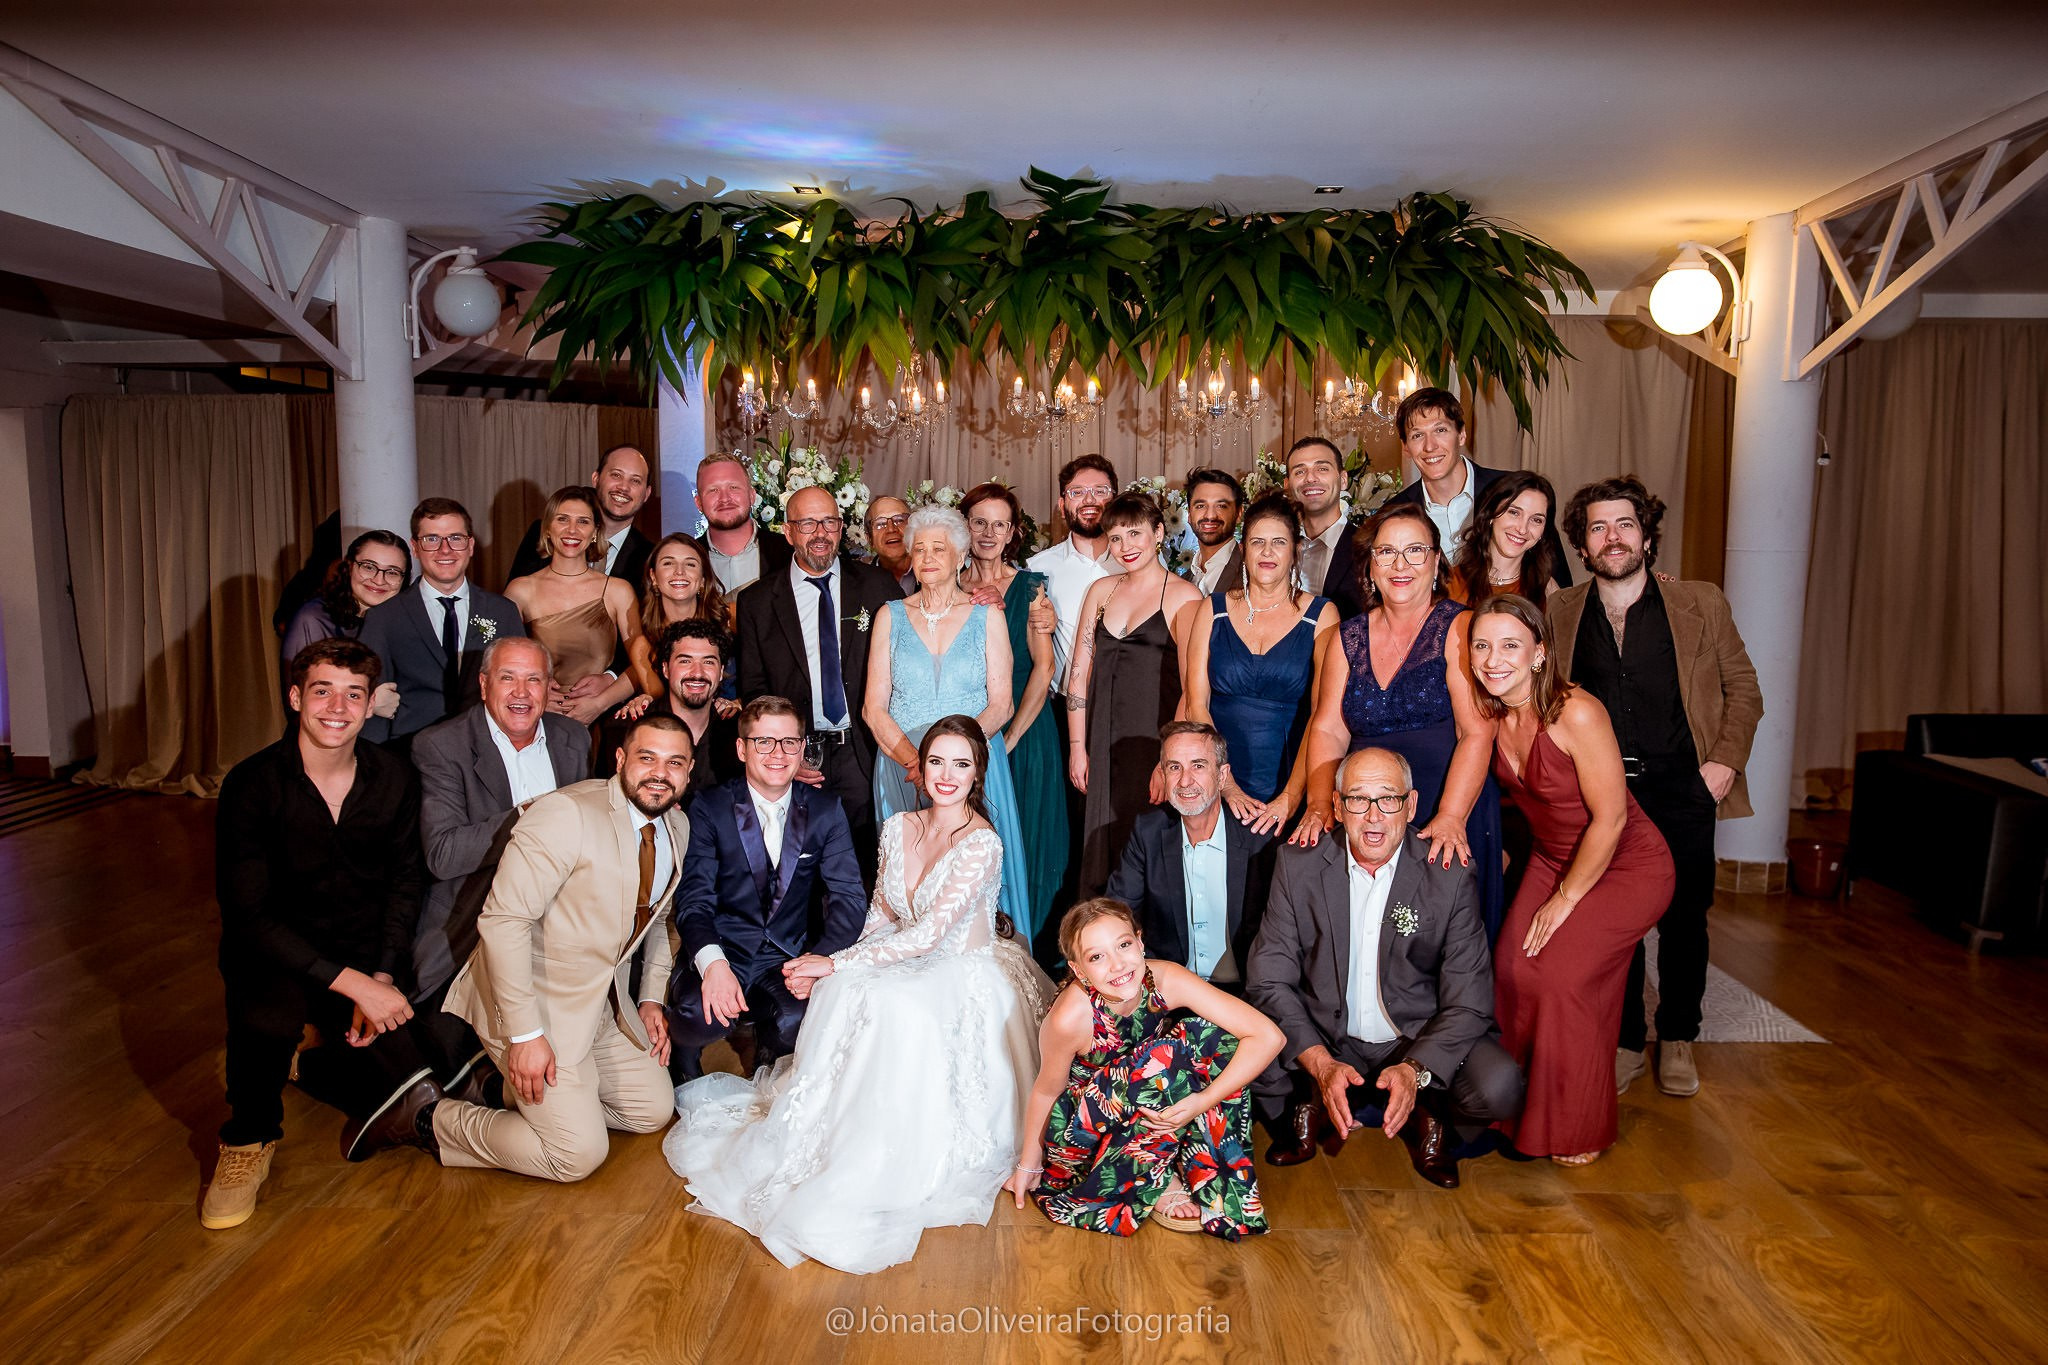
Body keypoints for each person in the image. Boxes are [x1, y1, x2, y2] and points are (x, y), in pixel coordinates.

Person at [666, 718, 1055, 1274]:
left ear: (978, 774)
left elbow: (929, 936)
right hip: (901, 949)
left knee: (891, 1005)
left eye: (962, 764)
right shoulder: (898, 826)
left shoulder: (983, 844)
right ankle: (828, 1135)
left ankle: (884, 1150)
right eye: (937, 762)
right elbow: (882, 913)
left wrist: (835, 959)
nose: (947, 776)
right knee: (846, 988)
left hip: (960, 968)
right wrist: (839, 964)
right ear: (919, 770)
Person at [355, 716, 696, 1181]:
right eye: (647, 758)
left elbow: (659, 921)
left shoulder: (676, 824)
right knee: (576, 1155)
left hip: (597, 1004)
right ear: (620, 760)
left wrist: (651, 997)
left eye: (674, 762)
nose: (660, 773)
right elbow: (502, 922)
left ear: (689, 770)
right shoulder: (566, 813)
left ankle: (515, 1095)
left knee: (652, 1111)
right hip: (534, 1005)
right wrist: (524, 1037)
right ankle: (427, 1118)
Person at [203, 639, 436, 1228]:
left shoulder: (394, 778)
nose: (338, 706)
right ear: (295, 697)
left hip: (364, 951)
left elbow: (407, 883)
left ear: (368, 704)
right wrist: (356, 986)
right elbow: (249, 918)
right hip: (276, 953)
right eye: (323, 691)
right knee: (265, 1022)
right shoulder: (251, 784)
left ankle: (307, 1061)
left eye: (353, 694)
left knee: (409, 1087)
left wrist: (380, 975)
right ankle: (246, 1140)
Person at [1549, 476, 1762, 1100]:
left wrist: (1722, 764)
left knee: (1684, 919)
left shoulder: (1701, 603)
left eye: (1624, 525)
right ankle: (1621, 1042)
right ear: (1582, 546)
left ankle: (1678, 1036)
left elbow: (1743, 690)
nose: (1612, 538)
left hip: (1683, 787)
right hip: (1600, 794)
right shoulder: (1562, 611)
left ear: (1646, 535)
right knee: (1610, 922)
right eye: (1597, 528)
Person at [1245, 747, 1525, 1188]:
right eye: (1357, 799)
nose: (1373, 816)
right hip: (1326, 1035)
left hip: (1411, 1037)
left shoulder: (1448, 874)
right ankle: (1310, 1101)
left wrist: (1416, 1068)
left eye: (1387, 799)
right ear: (1337, 807)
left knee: (1500, 1086)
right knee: (1243, 1057)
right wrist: (1317, 1061)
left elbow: (1470, 1002)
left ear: (1411, 805)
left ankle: (1432, 1118)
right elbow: (1268, 978)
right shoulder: (1297, 864)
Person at [1468, 595, 1675, 1165]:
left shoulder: (1575, 711)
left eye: (1510, 645)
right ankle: (1512, 1108)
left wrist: (1565, 899)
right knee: (1511, 967)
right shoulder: (1492, 714)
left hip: (1627, 863)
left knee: (1562, 978)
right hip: (1553, 856)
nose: (1493, 659)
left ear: (1538, 653)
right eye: (1482, 645)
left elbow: (1610, 819)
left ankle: (1577, 1126)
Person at [1007, 898, 1281, 1239]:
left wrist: (1203, 1100)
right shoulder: (1069, 1018)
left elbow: (1268, 1036)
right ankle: (1160, 1179)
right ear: (1078, 970)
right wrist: (1030, 1166)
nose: (1118, 965)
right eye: (1096, 956)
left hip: (1147, 1101)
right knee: (1166, 1057)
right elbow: (1047, 1091)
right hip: (1083, 1131)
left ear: (1140, 942)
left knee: (1213, 1036)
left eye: (1123, 945)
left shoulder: (1165, 978)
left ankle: (1214, 1186)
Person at [1298, 504, 1506, 941]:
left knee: (1445, 941)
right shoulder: (1346, 638)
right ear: (1370, 567)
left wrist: (1451, 816)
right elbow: (1328, 730)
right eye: (1386, 552)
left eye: (1415, 551)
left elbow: (1478, 731)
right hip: (1369, 809)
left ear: (1435, 563)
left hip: (1448, 800)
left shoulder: (1459, 627)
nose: (1400, 564)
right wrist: (1320, 803)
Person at [408, 636, 593, 1087]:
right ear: (484, 683)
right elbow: (445, 853)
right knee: (449, 1061)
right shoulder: (442, 745)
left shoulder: (573, 737)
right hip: (472, 924)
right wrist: (533, 817)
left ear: (550, 687)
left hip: (558, 928)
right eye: (507, 678)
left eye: (534, 680)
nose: (521, 692)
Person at [666, 696, 867, 1079]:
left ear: (802, 748)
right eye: (764, 741)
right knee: (698, 1016)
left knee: (801, 1020)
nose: (778, 753)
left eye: (789, 742)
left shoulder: (826, 809)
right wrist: (713, 965)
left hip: (787, 956)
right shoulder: (708, 807)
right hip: (724, 947)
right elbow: (694, 901)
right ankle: (682, 1054)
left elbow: (849, 900)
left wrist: (817, 961)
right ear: (742, 748)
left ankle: (769, 1050)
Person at [864, 504, 1035, 933]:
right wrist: (916, 764)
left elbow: (1001, 704)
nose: (927, 558)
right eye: (919, 549)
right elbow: (873, 708)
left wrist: (952, 762)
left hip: (972, 768)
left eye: (938, 548)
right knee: (910, 886)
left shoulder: (986, 616)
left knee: (973, 894)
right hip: (902, 769)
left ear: (961, 555)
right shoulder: (890, 615)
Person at [734, 483, 904, 878]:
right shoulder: (757, 601)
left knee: (868, 865)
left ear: (842, 528)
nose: (820, 533)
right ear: (788, 531)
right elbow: (755, 690)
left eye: (829, 521)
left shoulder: (879, 588)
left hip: (864, 752)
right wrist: (783, 753)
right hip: (798, 757)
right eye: (807, 523)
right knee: (797, 869)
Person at [1067, 491, 1203, 895]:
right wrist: (1078, 747)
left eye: (1135, 534)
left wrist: (1169, 762)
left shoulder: (1184, 596)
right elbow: (1078, 676)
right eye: (1115, 538)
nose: (1125, 547)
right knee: (1098, 844)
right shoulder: (1101, 592)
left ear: (1159, 532)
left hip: (1152, 745)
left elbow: (1191, 691)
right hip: (1101, 744)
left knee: (1145, 845)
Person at [1181, 493, 1338, 826]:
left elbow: (1323, 716)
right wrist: (1225, 785)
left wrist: (1291, 798)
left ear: (1294, 551)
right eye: (1258, 542)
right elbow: (1196, 704)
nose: (1267, 552)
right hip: (1213, 780)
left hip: (1287, 782)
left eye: (1279, 542)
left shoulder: (1321, 615)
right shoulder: (1213, 608)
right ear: (1243, 550)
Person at [959, 481, 1066, 938]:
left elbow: (1044, 669)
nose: (988, 533)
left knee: (1028, 840)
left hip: (1023, 728)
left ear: (1012, 533)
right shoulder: (945, 583)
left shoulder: (1031, 589)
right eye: (978, 522)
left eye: (998, 524)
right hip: (964, 732)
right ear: (963, 527)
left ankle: (1030, 952)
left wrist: (1013, 737)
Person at [1106, 723, 1276, 990]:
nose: (1185, 781)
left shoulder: (1260, 839)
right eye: (1174, 767)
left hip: (1245, 997)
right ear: (1162, 774)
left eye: (1198, 766)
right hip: (1169, 993)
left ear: (1222, 776)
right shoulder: (1147, 833)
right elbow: (1116, 915)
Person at [358, 497, 526, 751]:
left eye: (455, 538)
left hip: (489, 750)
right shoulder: (384, 618)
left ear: (470, 546)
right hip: (410, 753)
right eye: (432, 539)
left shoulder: (503, 611)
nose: (444, 550)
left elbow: (519, 687)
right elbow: (370, 699)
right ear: (415, 547)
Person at [1382, 388, 1571, 592]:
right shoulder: (1396, 512)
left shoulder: (1513, 491)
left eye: (1440, 430)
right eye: (1417, 435)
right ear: (1406, 447)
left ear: (1461, 435)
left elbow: (1560, 585)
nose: (1430, 446)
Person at [503, 485, 643, 729]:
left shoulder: (618, 591)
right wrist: (535, 694)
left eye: (583, 522)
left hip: (601, 725)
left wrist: (600, 703)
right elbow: (499, 665)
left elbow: (643, 664)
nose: (572, 530)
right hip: (535, 721)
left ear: (594, 532)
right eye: (562, 519)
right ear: (547, 528)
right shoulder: (520, 590)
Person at [277, 529, 410, 707]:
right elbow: (299, 701)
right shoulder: (313, 618)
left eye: (392, 572)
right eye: (369, 567)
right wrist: (370, 703)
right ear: (349, 566)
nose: (379, 580)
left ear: (404, 579)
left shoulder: (409, 623)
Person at [1025, 454, 1115, 699]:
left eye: (1100, 490)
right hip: (1063, 706)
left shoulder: (1139, 562)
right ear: (1062, 506)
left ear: (1115, 500)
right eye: (1076, 492)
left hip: (1128, 705)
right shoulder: (1037, 568)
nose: (1089, 500)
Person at [503, 443, 657, 587]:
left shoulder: (652, 557)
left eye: (635, 481)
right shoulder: (544, 533)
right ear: (596, 479)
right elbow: (510, 608)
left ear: (646, 494)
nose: (624, 487)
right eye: (616, 475)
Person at [625, 619, 743, 798]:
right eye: (685, 661)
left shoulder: (740, 733)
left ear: (721, 672)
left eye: (708, 662)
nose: (697, 673)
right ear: (665, 669)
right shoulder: (632, 727)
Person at [626, 532, 732, 698]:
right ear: (653, 577)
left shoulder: (731, 618)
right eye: (668, 563)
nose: (679, 572)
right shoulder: (643, 647)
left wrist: (741, 702)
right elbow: (663, 706)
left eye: (690, 564)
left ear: (703, 578)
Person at [1447, 470, 1561, 609]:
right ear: (1491, 515)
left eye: (1536, 520)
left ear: (1544, 530)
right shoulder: (1450, 582)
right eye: (1514, 512)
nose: (1522, 529)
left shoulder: (1547, 590)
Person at [1285, 435, 1365, 618]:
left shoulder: (1368, 548)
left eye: (1322, 469)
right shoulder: (1276, 547)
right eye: (1299, 471)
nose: (1310, 478)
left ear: (1343, 480)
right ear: (1287, 485)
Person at [697, 452, 792, 593]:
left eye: (733, 487)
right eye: (713, 490)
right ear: (698, 503)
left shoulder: (789, 554)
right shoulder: (688, 558)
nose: (725, 498)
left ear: (752, 496)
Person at [1182, 466, 1245, 594]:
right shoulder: (1182, 582)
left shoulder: (1251, 573)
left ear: (1238, 513)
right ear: (1189, 514)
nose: (1210, 515)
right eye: (1200, 506)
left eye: (1221, 506)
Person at [865, 494, 915, 589]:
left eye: (899, 520)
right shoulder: (859, 582)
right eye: (880, 523)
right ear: (870, 539)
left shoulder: (936, 571)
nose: (891, 529)